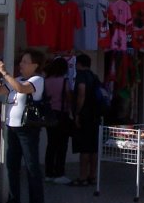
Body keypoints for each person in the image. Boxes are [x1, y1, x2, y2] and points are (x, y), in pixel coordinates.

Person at [0, 50, 46, 203]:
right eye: (21, 62)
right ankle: (13, 201)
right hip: (12, 127)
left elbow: (21, 89)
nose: (21, 65)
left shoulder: (37, 80)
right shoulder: (17, 79)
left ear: (35, 65)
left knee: (31, 166)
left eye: (25, 62)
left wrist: (6, 73)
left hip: (27, 128)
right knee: (12, 165)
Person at [70, 53, 102, 187]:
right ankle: (92, 176)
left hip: (85, 116)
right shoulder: (95, 77)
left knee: (84, 148)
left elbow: (81, 93)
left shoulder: (81, 76)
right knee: (94, 148)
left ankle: (82, 177)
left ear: (79, 64)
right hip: (96, 116)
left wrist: (77, 112)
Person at [42, 57, 72, 184]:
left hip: (49, 114)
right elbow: (69, 98)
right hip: (61, 114)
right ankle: (59, 172)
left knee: (51, 144)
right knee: (62, 145)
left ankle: (48, 173)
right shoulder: (64, 82)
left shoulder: (46, 81)